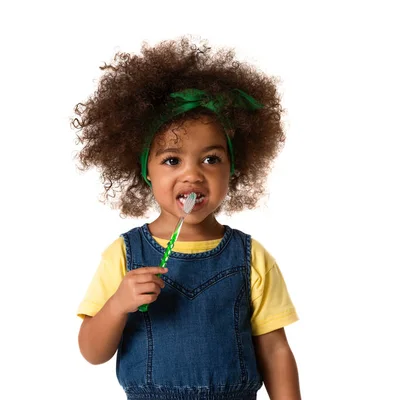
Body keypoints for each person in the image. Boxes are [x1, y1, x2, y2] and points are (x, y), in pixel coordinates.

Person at [73, 36, 300, 400]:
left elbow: (275, 350)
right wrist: (118, 304)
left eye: (211, 159)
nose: (192, 174)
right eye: (172, 160)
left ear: (234, 168)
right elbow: (92, 352)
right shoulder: (124, 254)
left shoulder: (251, 257)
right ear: (145, 169)